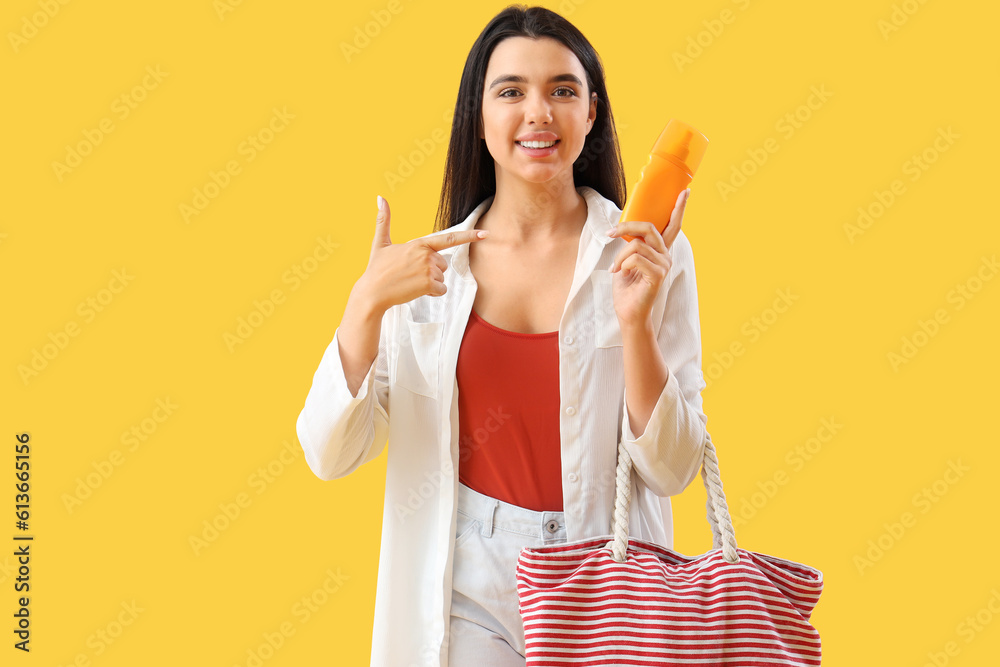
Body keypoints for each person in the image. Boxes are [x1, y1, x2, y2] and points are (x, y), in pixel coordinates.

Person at [295, 5, 709, 666]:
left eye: (562, 91)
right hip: (464, 577)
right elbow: (329, 452)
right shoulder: (427, 272)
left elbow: (675, 465)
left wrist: (635, 325)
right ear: (480, 117)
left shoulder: (648, 255)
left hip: (604, 574)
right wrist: (365, 302)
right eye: (511, 91)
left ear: (592, 113)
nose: (538, 112)